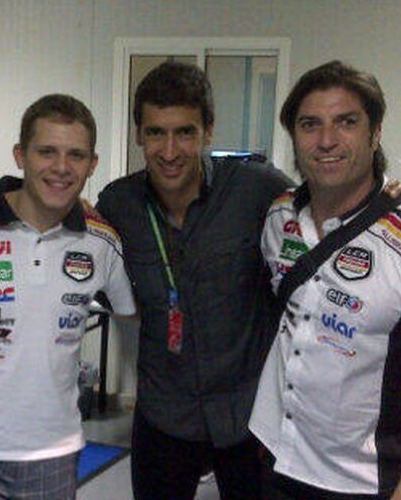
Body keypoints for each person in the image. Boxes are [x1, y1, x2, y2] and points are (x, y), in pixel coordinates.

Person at [251, 60, 401, 500]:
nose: (326, 141)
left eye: (346, 123)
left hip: (361, 481)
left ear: (374, 133)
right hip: (275, 452)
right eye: (310, 125)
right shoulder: (279, 214)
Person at [96, 61, 293, 500]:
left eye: (184, 132)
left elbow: (325, 212)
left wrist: (386, 195)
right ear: (138, 134)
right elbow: (57, 223)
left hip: (249, 416)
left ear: (208, 131)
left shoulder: (256, 189)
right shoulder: (118, 204)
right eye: (155, 133)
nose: (169, 151)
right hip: (165, 414)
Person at [0, 94, 135, 499]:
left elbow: (132, 316)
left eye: (75, 155)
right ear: (20, 155)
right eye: (46, 151)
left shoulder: (102, 241)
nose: (61, 168)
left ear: (92, 164)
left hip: (55, 451)